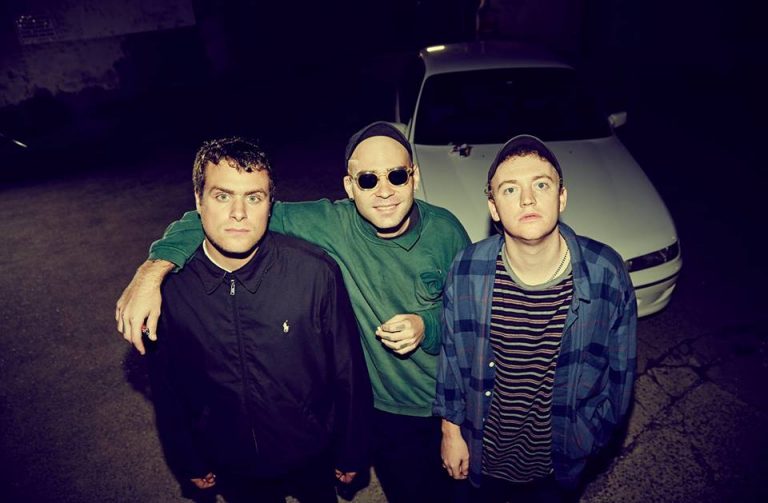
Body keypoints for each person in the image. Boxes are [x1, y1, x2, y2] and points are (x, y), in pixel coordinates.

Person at [116, 122, 471, 502]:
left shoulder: (445, 231)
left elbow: (472, 323)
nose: (384, 191)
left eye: (396, 176)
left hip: (445, 399)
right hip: (381, 408)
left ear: (414, 177)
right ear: (349, 186)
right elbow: (225, 216)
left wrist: (426, 325)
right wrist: (152, 272)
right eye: (368, 180)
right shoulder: (328, 223)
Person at [145, 137, 371, 502]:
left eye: (254, 197)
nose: (239, 213)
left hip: (311, 450)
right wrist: (187, 458)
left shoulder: (314, 272)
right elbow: (168, 387)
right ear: (199, 201)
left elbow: (348, 370)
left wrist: (352, 448)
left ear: (270, 204)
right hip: (231, 461)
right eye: (222, 196)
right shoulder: (170, 291)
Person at [435, 135, 637, 502]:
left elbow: (620, 376)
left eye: (541, 184)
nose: (527, 199)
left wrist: (588, 440)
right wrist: (451, 432)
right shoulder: (467, 269)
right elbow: (451, 358)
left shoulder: (605, 272)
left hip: (557, 468)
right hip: (482, 457)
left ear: (562, 197)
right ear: (494, 208)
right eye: (510, 189)